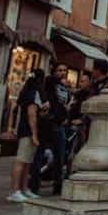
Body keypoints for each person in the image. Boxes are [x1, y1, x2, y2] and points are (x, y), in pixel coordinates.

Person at [33, 63, 71, 195]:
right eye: (59, 70)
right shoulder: (50, 81)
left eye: (65, 70)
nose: (62, 72)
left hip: (59, 124)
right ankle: (34, 184)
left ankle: (58, 185)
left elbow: (64, 104)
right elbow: (50, 80)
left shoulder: (64, 87)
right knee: (40, 153)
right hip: (48, 123)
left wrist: (66, 114)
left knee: (60, 156)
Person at [7, 69, 44, 203]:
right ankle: (14, 190)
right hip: (28, 130)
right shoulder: (33, 93)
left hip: (25, 129)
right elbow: (31, 115)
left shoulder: (27, 92)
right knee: (21, 161)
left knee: (27, 161)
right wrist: (34, 134)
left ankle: (23, 188)